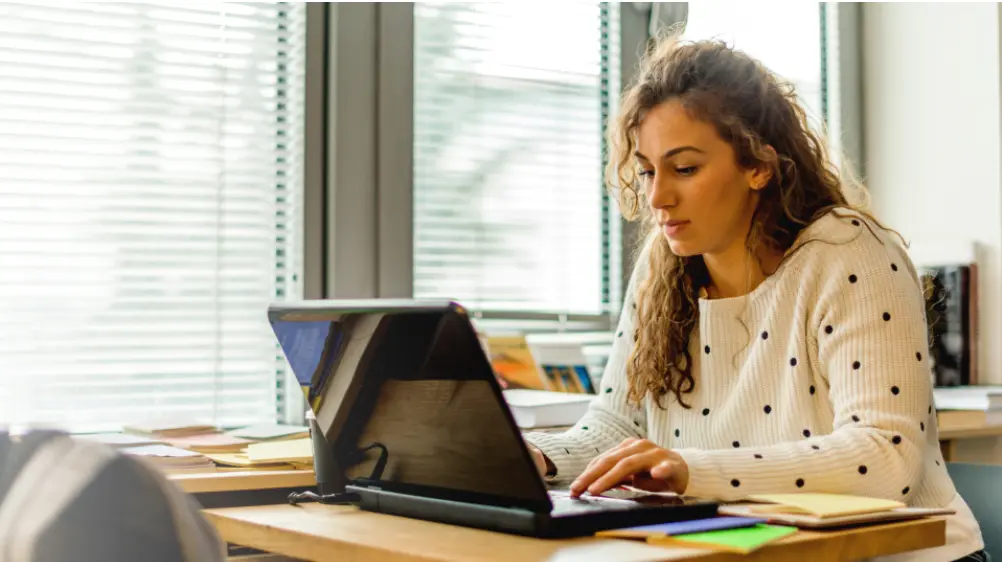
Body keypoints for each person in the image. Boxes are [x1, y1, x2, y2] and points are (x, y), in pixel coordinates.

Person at [523, 36, 986, 562]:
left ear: (758, 166)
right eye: (649, 171)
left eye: (686, 168)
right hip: (753, 549)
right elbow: (616, 428)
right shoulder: (662, 265)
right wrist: (532, 458)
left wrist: (691, 470)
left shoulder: (848, 252)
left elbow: (885, 459)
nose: (657, 198)